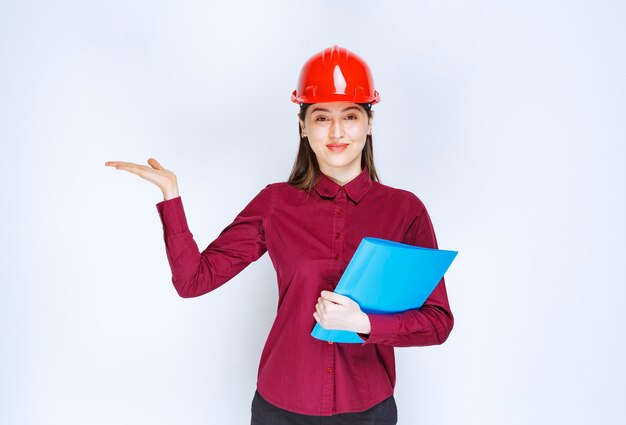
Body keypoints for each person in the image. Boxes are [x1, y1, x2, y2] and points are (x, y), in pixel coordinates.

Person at [105, 45, 453, 425]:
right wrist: (171, 195)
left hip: (367, 408)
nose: (337, 132)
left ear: (369, 123)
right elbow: (193, 281)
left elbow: (437, 322)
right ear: (303, 126)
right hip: (281, 408)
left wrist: (365, 324)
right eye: (322, 117)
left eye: (350, 116)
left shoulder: (404, 211)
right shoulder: (275, 203)